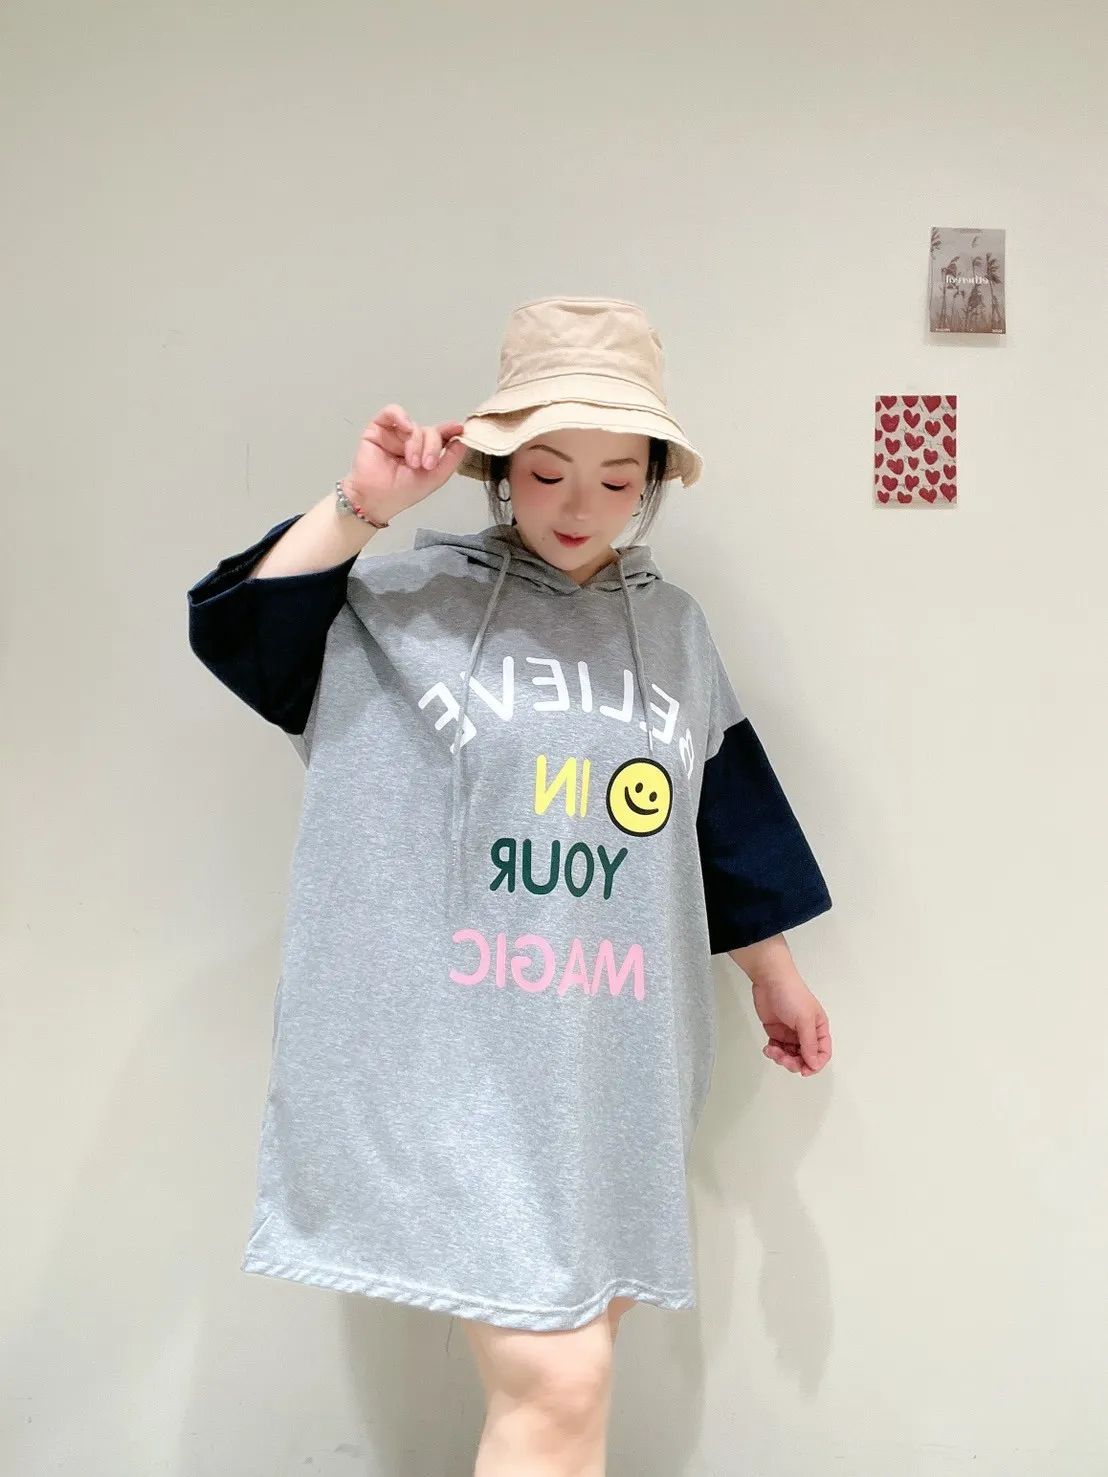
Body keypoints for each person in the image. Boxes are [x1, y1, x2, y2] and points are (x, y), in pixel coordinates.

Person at [187, 296, 833, 1476]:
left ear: (651, 481)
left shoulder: (672, 632)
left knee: (578, 1370)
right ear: (497, 469)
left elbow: (721, 818)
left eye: (615, 477)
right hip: (462, 1066)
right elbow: (242, 637)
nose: (578, 505)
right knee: (562, 1379)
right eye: (545, 471)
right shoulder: (407, 610)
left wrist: (772, 974)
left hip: (610, 1064)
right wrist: (363, 507)